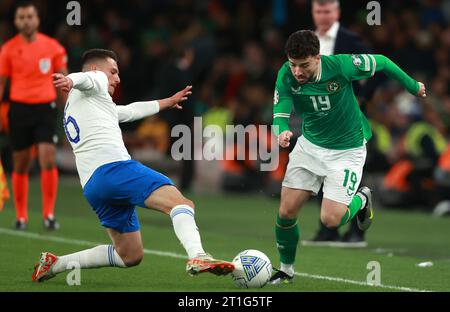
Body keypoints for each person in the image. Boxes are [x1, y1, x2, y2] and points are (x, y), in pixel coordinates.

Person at [31, 49, 234, 282]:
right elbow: (87, 77)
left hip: (94, 186)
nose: (117, 78)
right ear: (97, 70)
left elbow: (130, 111)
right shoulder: (94, 79)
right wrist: (70, 79)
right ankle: (198, 255)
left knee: (129, 254)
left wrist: (166, 102)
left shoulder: (85, 105)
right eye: (113, 72)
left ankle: (55, 264)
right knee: (181, 203)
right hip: (115, 169)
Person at [269, 30, 426, 284]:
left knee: (330, 219)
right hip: (309, 147)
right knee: (286, 212)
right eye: (293, 64)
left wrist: (412, 86)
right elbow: (280, 111)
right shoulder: (286, 74)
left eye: (304, 65)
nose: (297, 71)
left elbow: (382, 62)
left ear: (317, 57)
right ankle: (286, 270)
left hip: (346, 150)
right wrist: (281, 132)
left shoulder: (342, 66)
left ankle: (362, 199)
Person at [304, 0, 384, 246]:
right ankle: (328, 230)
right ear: (313, 13)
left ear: (337, 13)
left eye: (328, 11)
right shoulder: (307, 41)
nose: (323, 15)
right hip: (321, 119)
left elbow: (375, 69)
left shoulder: (350, 40)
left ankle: (356, 232)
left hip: (348, 118)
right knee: (321, 170)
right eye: (319, 11)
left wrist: (361, 97)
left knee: (349, 172)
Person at [0, 1, 68, 230]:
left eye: (30, 16)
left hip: (45, 109)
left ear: (37, 19)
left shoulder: (54, 48)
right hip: (18, 109)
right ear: (16, 21)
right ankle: (21, 216)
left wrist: (67, 109)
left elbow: (64, 82)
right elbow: (2, 83)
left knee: (47, 157)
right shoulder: (8, 49)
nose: (26, 21)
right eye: (21, 17)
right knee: (20, 165)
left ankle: (49, 214)